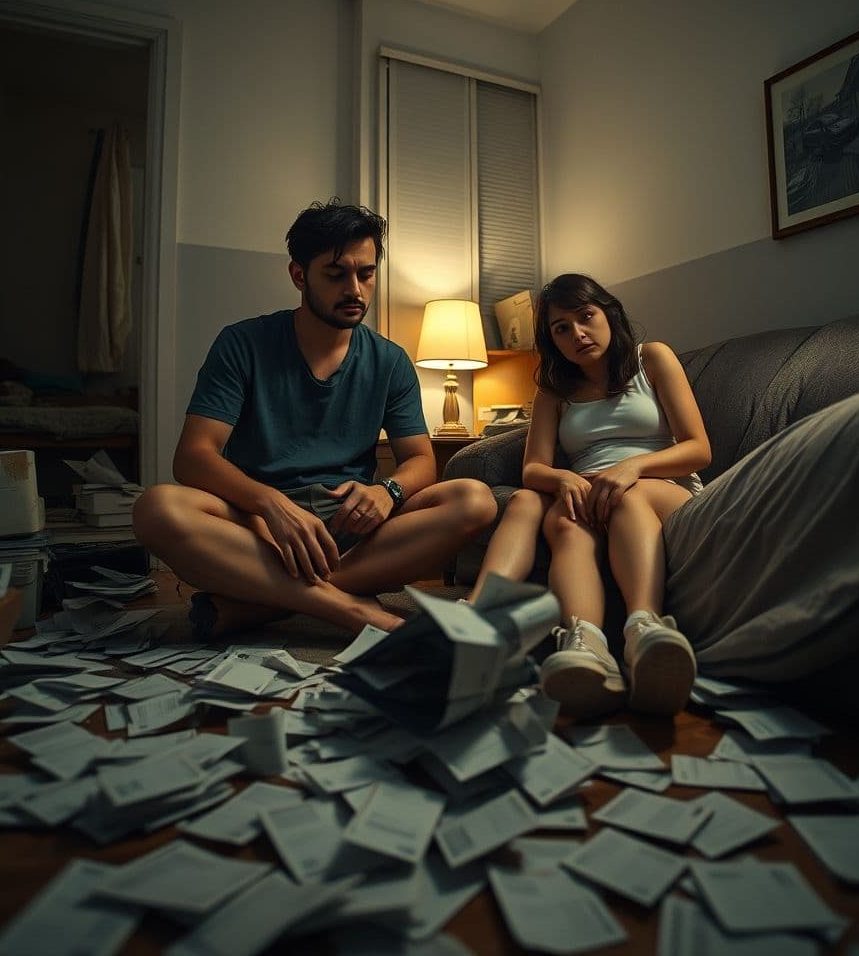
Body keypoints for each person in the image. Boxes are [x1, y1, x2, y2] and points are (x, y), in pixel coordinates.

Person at [133, 199, 497, 640]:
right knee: (156, 508)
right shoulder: (242, 343)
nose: (356, 290)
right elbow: (193, 457)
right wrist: (272, 504)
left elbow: (420, 459)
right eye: (336, 274)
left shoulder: (390, 361)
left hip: (353, 530)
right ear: (299, 275)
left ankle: (260, 605)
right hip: (260, 530)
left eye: (366, 274)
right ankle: (346, 608)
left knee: (475, 499)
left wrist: (388, 491)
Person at [472, 273, 710, 719]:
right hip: (588, 495)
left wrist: (632, 467)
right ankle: (584, 644)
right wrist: (563, 479)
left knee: (626, 495)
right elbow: (533, 468)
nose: (577, 334)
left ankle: (645, 628)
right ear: (552, 339)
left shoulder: (651, 358)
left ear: (608, 313)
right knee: (556, 515)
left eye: (586, 317)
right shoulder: (553, 389)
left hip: (664, 486)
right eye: (561, 328)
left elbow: (698, 448)